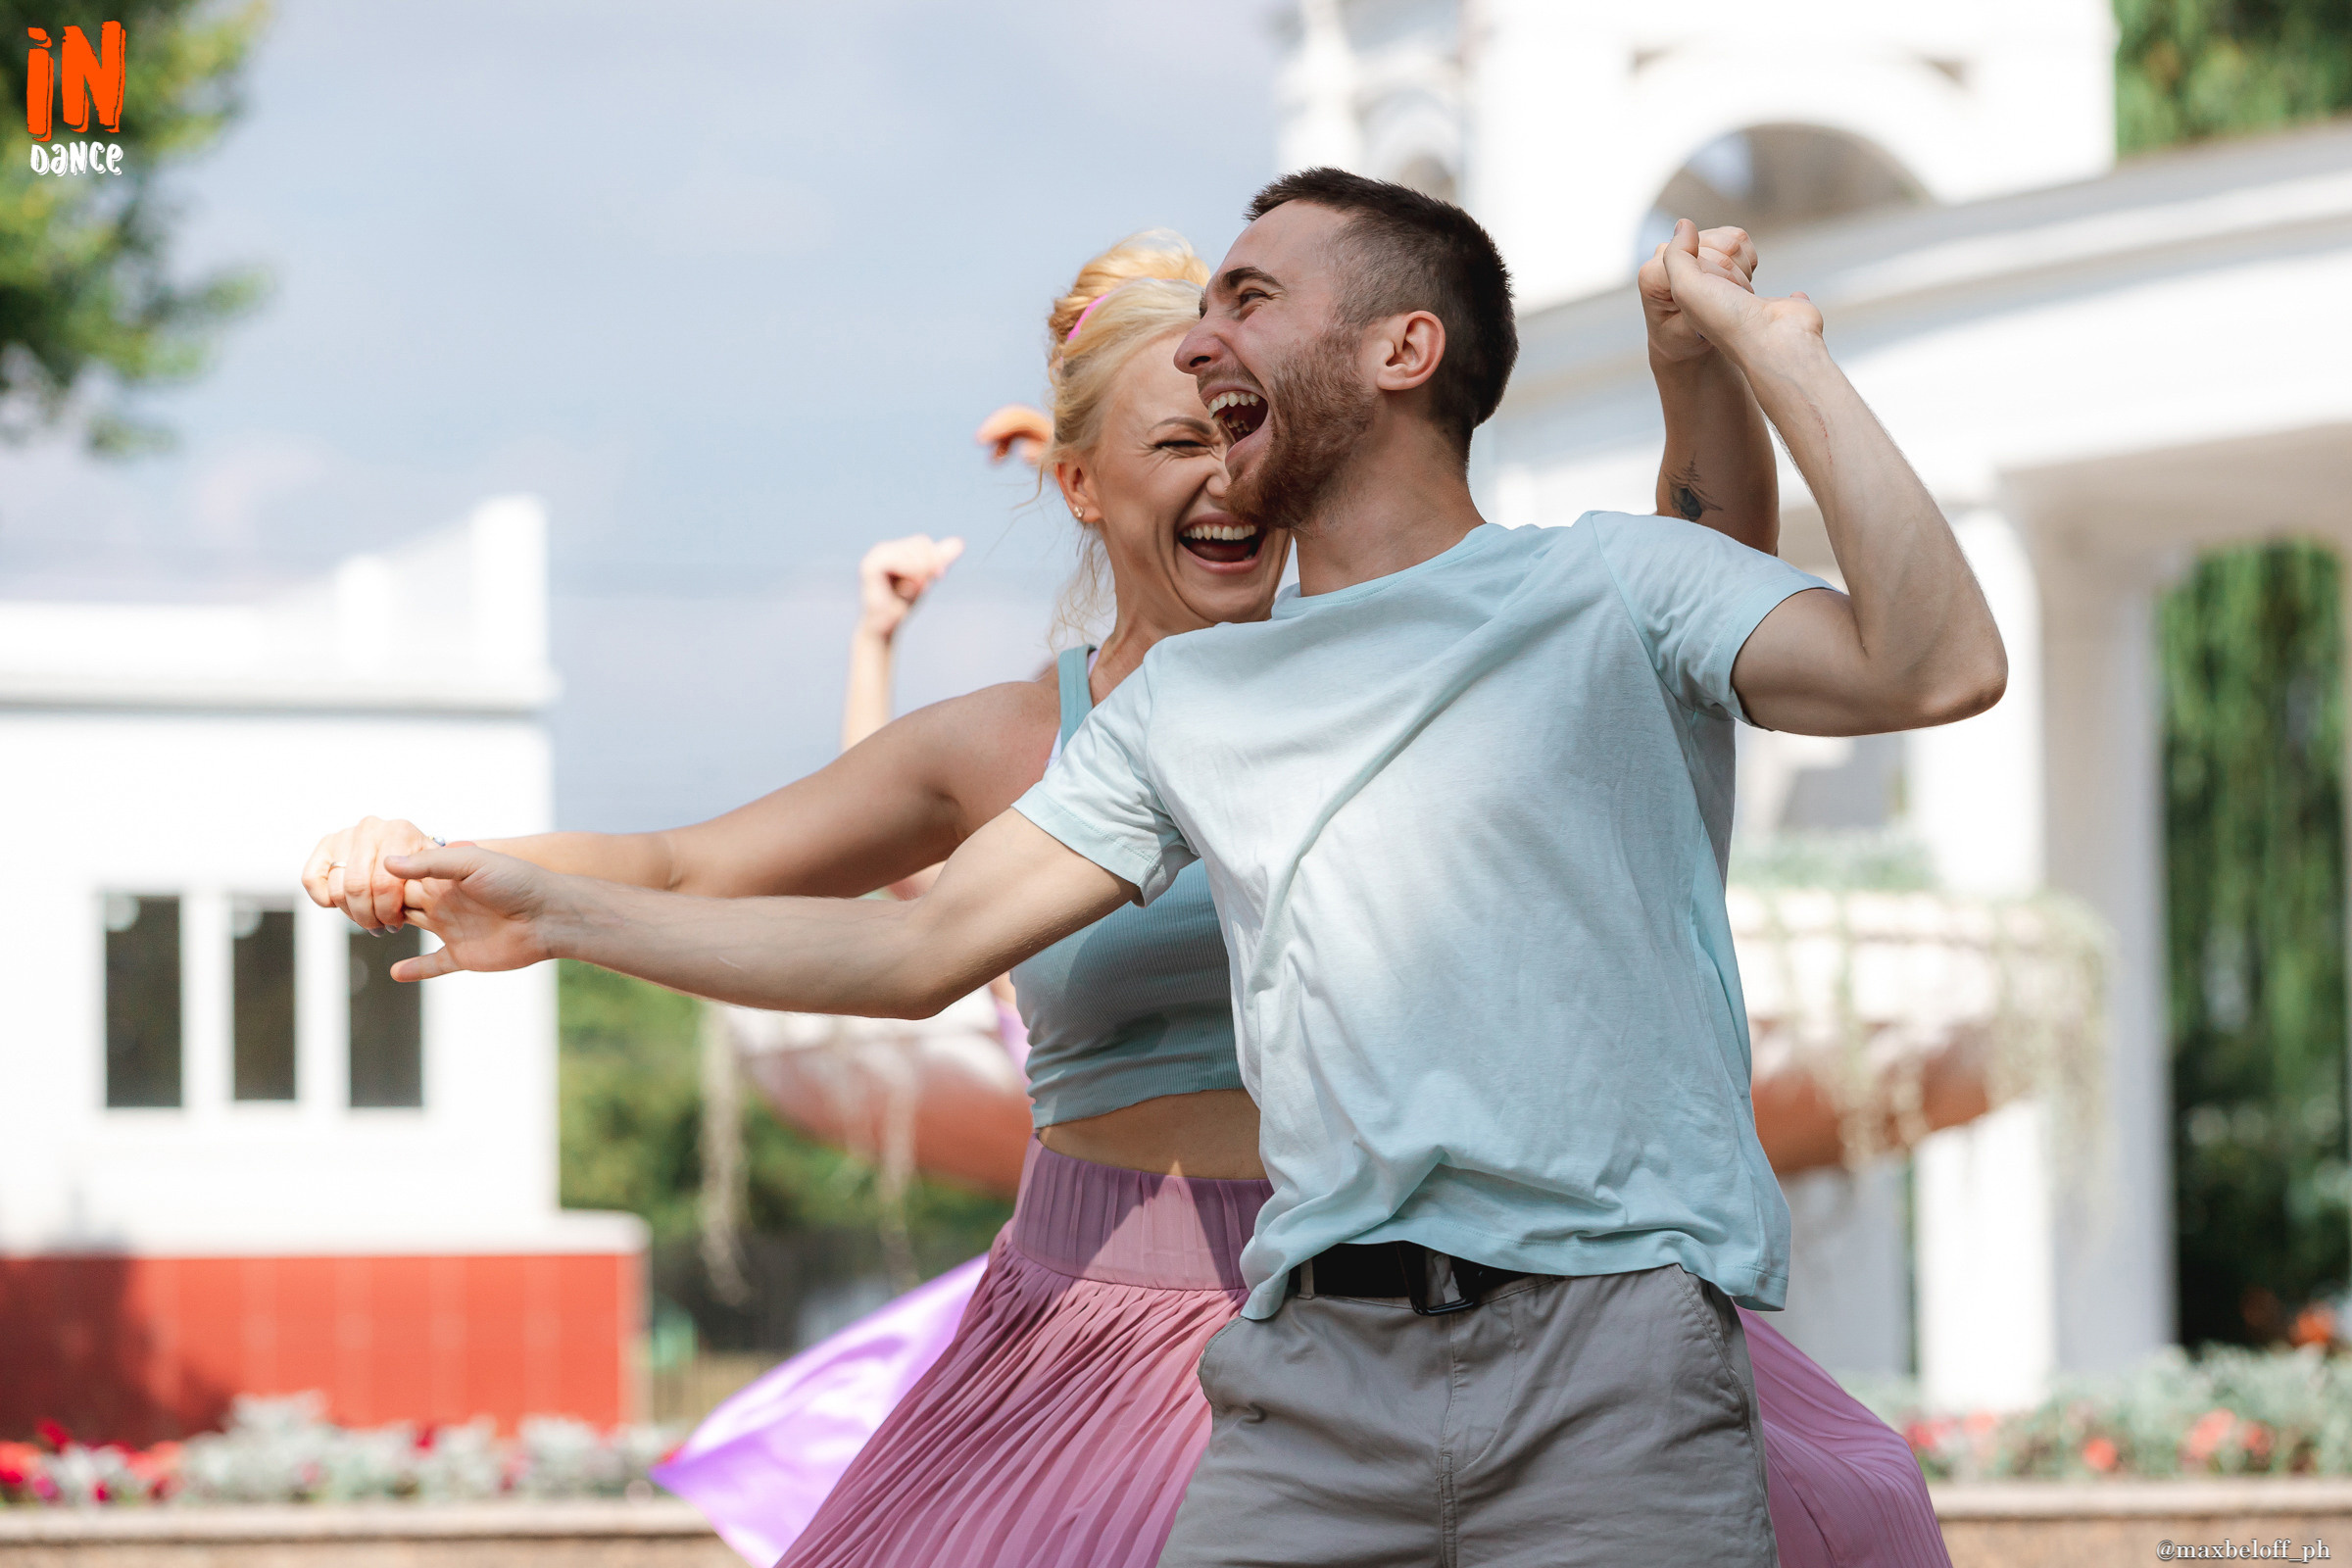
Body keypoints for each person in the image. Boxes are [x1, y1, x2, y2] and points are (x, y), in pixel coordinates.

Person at [316, 186, 1975, 1564]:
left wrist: (1757, 355)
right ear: (1085, 485)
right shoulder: (1192, 707)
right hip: (1305, 1349)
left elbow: (1864, 645)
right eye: (1178, 390)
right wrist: (550, 904)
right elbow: (913, 948)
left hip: (1598, 1337)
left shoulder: (1598, 595)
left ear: (1398, 355)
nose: (1209, 348)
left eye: (1246, 310)